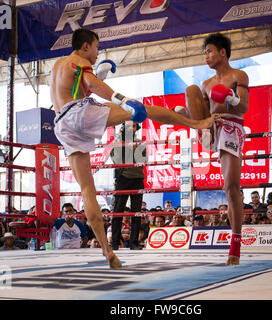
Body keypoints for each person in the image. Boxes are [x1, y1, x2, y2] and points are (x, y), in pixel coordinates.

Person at [51, 28, 217, 268]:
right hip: (77, 113)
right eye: (97, 48)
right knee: (142, 109)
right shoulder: (79, 61)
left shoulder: (59, 65)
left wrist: (97, 79)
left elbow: (76, 87)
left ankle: (108, 252)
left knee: (87, 189)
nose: (98, 53)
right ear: (86, 46)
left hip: (62, 124)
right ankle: (196, 123)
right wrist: (123, 100)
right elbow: (91, 84)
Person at [183, 33, 249, 265]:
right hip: (211, 125)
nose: (207, 57)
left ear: (223, 52)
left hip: (231, 126)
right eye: (205, 53)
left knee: (231, 187)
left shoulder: (238, 75)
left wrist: (230, 97)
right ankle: (196, 126)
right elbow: (202, 105)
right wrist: (192, 117)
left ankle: (236, 242)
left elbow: (244, 106)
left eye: (210, 51)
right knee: (191, 90)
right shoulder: (206, 84)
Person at [110, 122, 145, 250]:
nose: (132, 128)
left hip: (137, 178)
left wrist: (134, 148)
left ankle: (134, 242)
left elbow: (143, 160)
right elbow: (115, 159)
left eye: (134, 126)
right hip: (122, 177)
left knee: (136, 212)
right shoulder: (118, 141)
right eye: (129, 126)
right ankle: (114, 242)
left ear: (137, 128)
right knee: (118, 211)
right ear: (124, 127)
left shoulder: (140, 142)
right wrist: (120, 140)